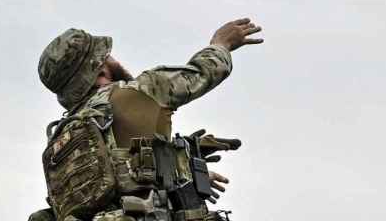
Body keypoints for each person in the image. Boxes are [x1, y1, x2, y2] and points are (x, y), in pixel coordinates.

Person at [29, 18, 264, 221]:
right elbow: (205, 71)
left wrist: (182, 163)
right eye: (107, 55)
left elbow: (112, 187)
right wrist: (221, 43)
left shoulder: (62, 139)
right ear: (100, 69)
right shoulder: (141, 91)